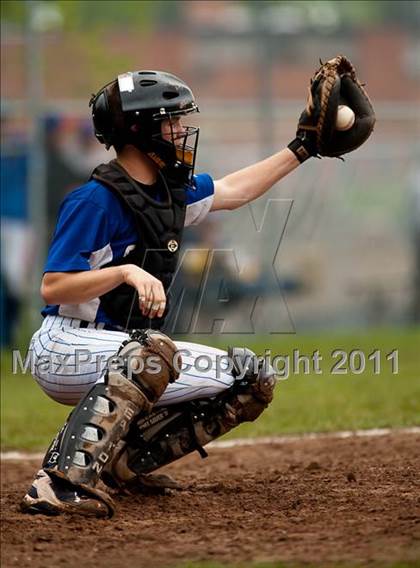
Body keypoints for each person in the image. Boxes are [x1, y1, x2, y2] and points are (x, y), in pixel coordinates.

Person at [20, 67, 367, 518]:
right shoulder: (94, 200)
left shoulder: (168, 192)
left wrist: (302, 149)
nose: (182, 130)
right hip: (64, 345)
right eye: (171, 121)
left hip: (119, 351)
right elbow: (54, 285)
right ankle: (59, 480)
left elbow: (234, 190)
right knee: (153, 355)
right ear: (140, 130)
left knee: (249, 379)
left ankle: (120, 463)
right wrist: (126, 272)